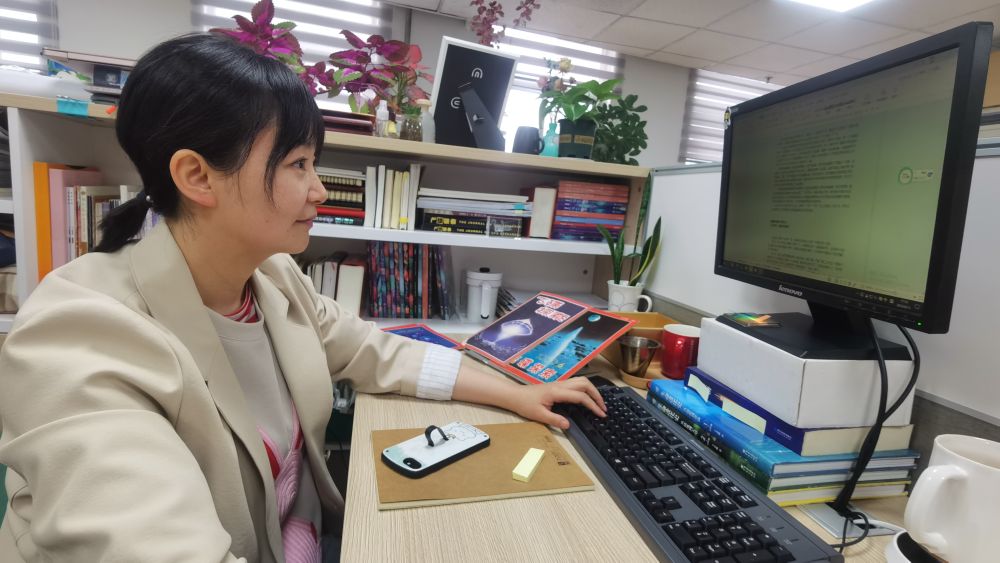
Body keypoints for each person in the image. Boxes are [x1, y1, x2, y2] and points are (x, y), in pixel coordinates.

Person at [0, 33, 607, 563]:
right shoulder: (81, 333)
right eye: (297, 164)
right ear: (197, 176)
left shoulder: (272, 279)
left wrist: (515, 392)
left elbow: (373, 351)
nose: (319, 190)